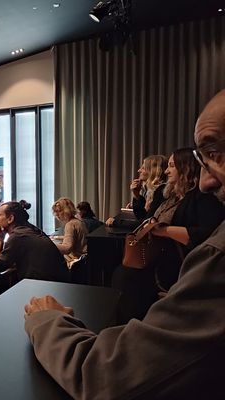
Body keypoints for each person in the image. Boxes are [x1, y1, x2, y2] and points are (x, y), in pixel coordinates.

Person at [23, 89, 225, 399]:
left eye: (216, 154)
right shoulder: (172, 197)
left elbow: (106, 377)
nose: (208, 180)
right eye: (204, 159)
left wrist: (48, 320)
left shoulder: (216, 256)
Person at [113, 147, 224, 322]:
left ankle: (133, 331)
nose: (166, 170)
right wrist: (137, 199)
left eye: (172, 165)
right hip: (157, 256)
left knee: (128, 279)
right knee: (122, 272)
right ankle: (123, 329)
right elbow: (146, 218)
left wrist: (163, 231)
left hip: (179, 265)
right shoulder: (166, 194)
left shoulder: (203, 198)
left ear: (186, 168)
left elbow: (205, 235)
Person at [0, 200, 68, 283]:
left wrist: (0, 238)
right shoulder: (31, 229)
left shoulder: (17, 236)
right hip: (58, 284)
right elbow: (11, 261)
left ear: (10, 219)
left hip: (46, 288)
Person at [106, 154, 167, 227]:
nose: (139, 170)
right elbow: (142, 216)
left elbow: (145, 223)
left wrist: (116, 222)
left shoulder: (162, 191)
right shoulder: (152, 190)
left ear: (153, 171)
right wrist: (136, 195)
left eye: (143, 168)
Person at [51, 198, 88, 268]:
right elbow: (74, 238)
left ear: (66, 210)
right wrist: (56, 237)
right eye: (55, 212)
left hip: (77, 260)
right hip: (85, 258)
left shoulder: (70, 225)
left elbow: (67, 248)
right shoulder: (78, 221)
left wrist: (48, 245)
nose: (56, 214)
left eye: (59, 211)